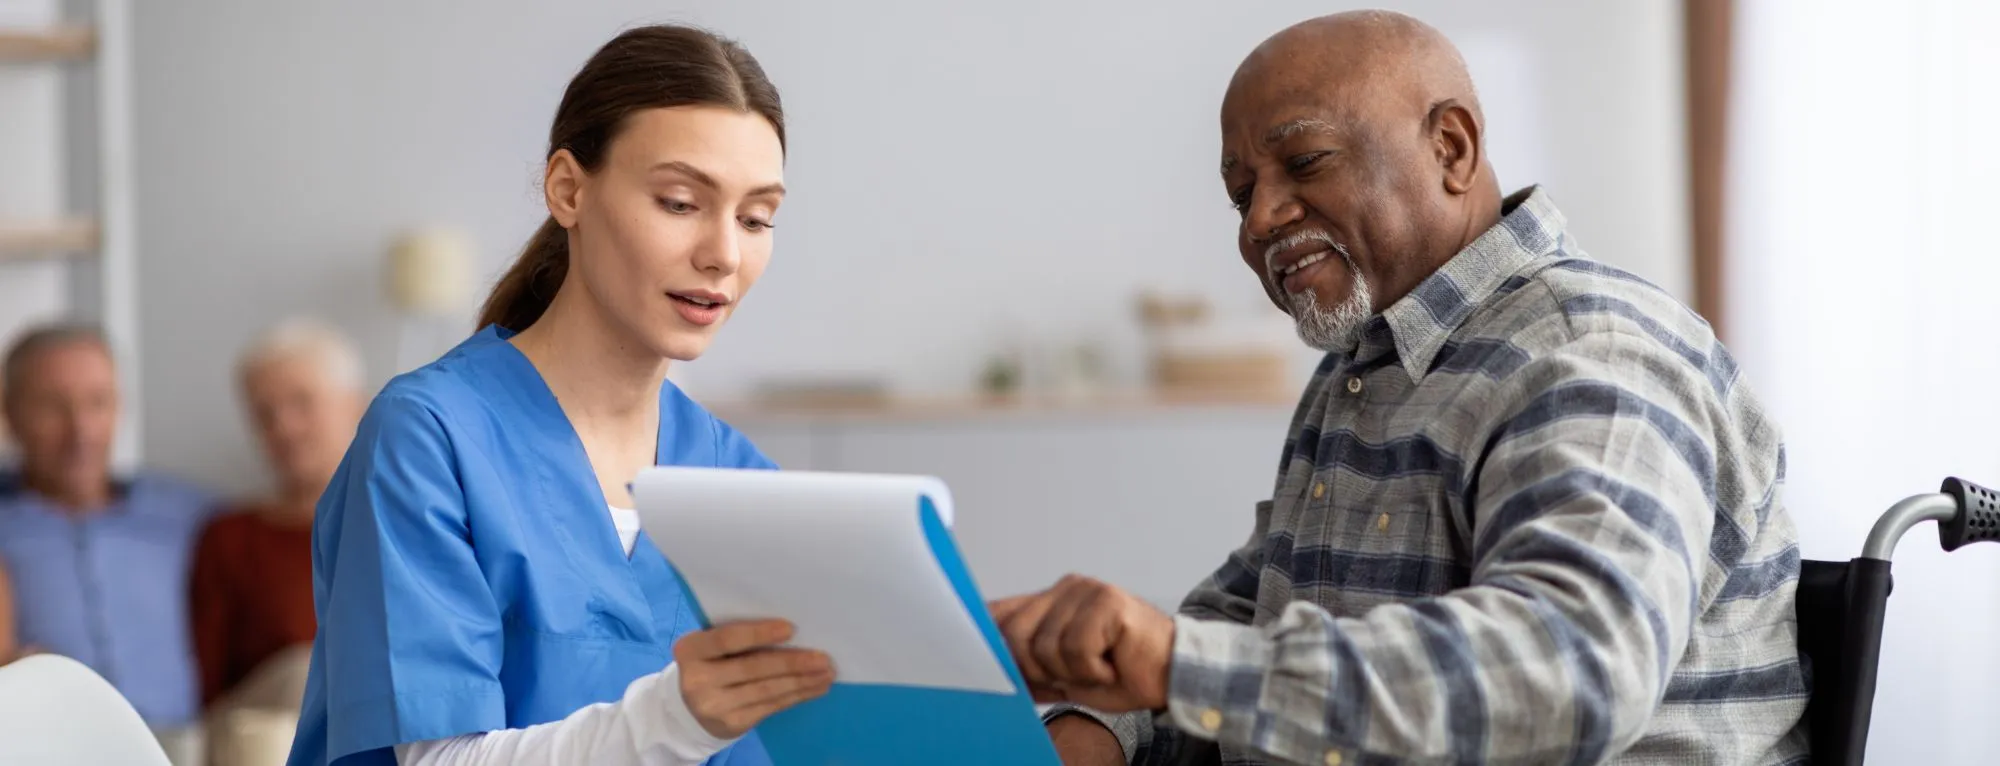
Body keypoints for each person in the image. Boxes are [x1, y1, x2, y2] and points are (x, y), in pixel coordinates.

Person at [993, 11, 1807, 766]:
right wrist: (1096, 728)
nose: (1259, 220)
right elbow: (1246, 627)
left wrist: (1172, 664)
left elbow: (1573, 666)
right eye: (1242, 193)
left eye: (1304, 162)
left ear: (1451, 147)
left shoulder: (1591, 352)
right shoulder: (1362, 369)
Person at [285, 24, 832, 766]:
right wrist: (678, 718)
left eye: (756, 217)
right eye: (679, 202)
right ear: (569, 189)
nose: (724, 253)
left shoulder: (737, 479)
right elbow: (437, 759)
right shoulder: (429, 438)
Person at [0, 323, 219, 764]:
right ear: (10, 414)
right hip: (51, 744)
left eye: (97, 403)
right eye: (52, 407)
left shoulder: (184, 512)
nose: (80, 429)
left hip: (185, 741)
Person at [192, 319, 368, 765]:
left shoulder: (412, 522)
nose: (284, 428)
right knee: (305, 670)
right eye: (265, 414)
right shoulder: (230, 538)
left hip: (391, 731)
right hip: (265, 740)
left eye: (301, 403)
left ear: (355, 405)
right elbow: (207, 693)